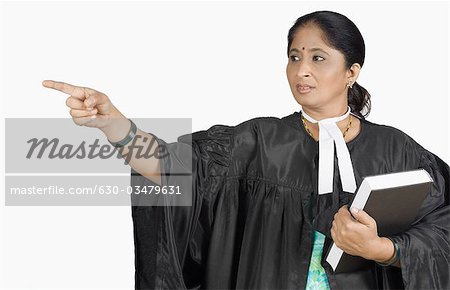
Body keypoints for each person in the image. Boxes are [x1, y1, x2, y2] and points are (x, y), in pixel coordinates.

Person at [43, 10, 449, 290]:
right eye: (294, 57)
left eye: (318, 58)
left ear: (351, 72)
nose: (301, 70)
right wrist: (113, 123)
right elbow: (170, 167)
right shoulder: (255, 142)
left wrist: (386, 250)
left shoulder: (398, 151)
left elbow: (443, 232)